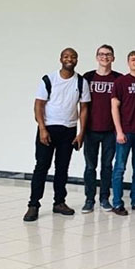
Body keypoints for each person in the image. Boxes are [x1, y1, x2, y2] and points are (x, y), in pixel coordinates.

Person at [24, 48, 91, 222]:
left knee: (62, 169)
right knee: (41, 167)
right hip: (48, 129)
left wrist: (81, 133)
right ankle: (33, 205)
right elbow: (38, 105)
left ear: (77, 60)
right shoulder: (49, 79)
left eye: (73, 57)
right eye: (66, 56)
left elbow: (84, 109)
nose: (70, 59)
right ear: (60, 59)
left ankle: (59, 202)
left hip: (69, 130)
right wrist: (42, 129)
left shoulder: (81, 82)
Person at [82, 44, 121, 213]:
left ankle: (104, 198)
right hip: (90, 129)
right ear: (97, 57)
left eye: (108, 54)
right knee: (90, 167)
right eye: (101, 54)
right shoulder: (87, 77)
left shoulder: (119, 79)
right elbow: (81, 105)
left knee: (107, 166)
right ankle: (89, 199)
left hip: (110, 131)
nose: (105, 57)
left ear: (113, 58)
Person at [111, 50, 135, 216]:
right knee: (119, 168)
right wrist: (119, 131)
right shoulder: (121, 81)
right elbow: (114, 107)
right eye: (133, 59)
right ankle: (117, 202)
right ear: (128, 62)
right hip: (125, 132)